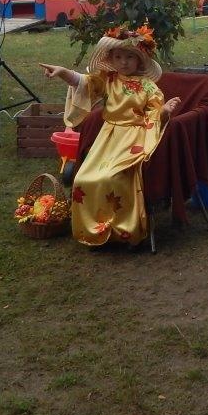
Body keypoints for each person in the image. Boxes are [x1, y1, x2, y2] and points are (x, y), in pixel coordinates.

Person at [40, 23, 180, 248]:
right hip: (107, 139)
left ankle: (123, 230)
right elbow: (83, 82)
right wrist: (63, 72)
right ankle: (94, 228)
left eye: (129, 57)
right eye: (118, 57)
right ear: (112, 59)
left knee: (115, 178)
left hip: (134, 138)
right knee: (83, 178)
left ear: (140, 60)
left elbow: (154, 113)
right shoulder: (108, 80)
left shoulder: (148, 86)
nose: (123, 62)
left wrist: (163, 112)